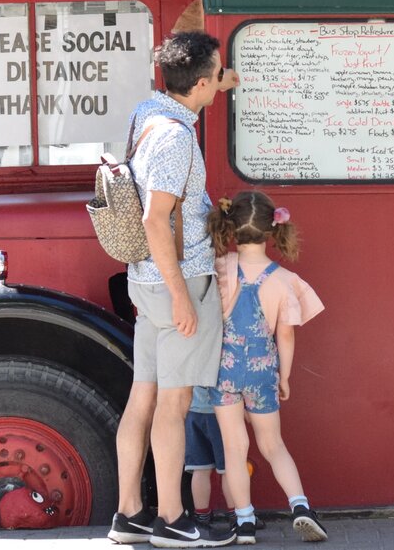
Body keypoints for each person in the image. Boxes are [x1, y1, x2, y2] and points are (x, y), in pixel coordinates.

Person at [109, 30, 238, 549]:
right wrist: (184, 296)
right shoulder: (177, 140)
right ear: (200, 83)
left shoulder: (149, 112)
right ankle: (171, 520)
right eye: (218, 74)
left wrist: (222, 82)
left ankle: (129, 515)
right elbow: (156, 219)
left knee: (142, 398)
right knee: (173, 405)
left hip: (144, 286)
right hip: (175, 287)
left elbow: (205, 83)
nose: (221, 80)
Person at [208, 191, 327, 544]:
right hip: (262, 373)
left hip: (224, 371)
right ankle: (301, 507)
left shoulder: (220, 268)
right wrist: (284, 377)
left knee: (234, 449)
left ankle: (244, 521)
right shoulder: (284, 280)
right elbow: (285, 337)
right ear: (271, 233)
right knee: (273, 444)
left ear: (231, 229)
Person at [183, 386, 233, 526]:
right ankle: (236, 514)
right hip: (220, 411)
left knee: (200, 469)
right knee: (229, 469)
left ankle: (202, 516)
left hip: (193, 411)